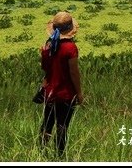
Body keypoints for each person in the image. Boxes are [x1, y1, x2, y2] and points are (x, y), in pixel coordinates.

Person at [39, 11, 83, 157]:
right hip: (65, 94)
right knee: (62, 126)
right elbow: (74, 73)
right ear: (70, 29)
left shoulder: (48, 45)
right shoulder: (70, 48)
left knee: (46, 125)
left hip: (49, 91)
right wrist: (79, 94)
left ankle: (41, 152)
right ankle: (60, 156)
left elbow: (45, 68)